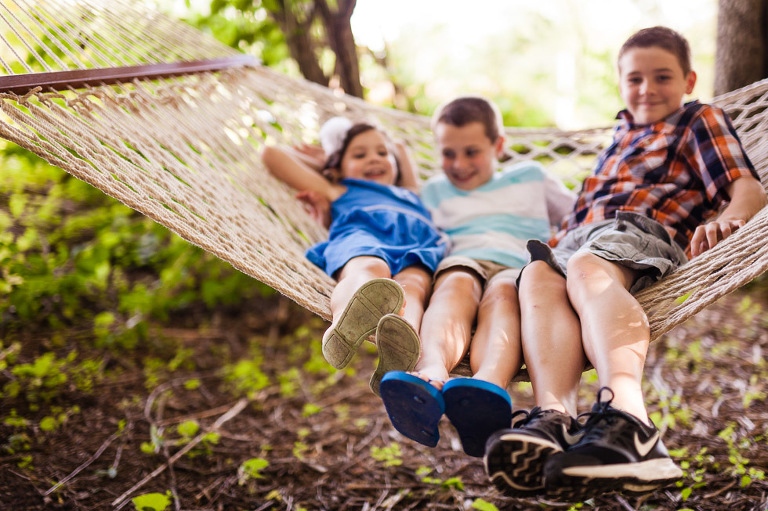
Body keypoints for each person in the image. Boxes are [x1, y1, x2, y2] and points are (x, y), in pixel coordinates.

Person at [484, 26, 768, 500]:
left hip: (643, 231)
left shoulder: (697, 119)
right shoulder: (616, 138)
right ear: (620, 84)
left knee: (585, 267)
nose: (648, 89)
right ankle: (554, 417)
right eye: (635, 79)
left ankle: (631, 419)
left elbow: (748, 188)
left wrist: (730, 222)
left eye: (662, 77)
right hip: (581, 240)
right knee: (536, 274)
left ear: (688, 80)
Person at [378, 96, 576, 457]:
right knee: (453, 286)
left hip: (515, 263)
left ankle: (488, 386)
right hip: (463, 259)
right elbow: (403, 208)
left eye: (472, 152)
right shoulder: (436, 190)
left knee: (502, 297)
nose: (459, 164)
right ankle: (432, 369)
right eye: (448, 153)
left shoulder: (530, 177)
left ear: (498, 146)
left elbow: (580, 213)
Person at [261, 119, 447, 396]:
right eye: (359, 155)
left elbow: (399, 146)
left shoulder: (409, 192)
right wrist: (328, 163)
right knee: (368, 268)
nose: (374, 159)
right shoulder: (340, 189)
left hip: (417, 247)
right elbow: (271, 154)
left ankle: (400, 351)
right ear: (337, 169)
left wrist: (363, 154)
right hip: (362, 236)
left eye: (381, 154)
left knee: (416, 289)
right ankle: (342, 326)